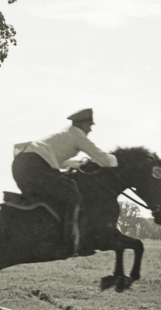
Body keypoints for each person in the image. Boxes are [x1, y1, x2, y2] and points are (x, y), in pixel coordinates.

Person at [12, 108, 118, 254]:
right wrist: (119, 160)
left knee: (52, 195)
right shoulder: (78, 135)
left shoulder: (65, 133)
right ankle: (70, 241)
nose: (91, 130)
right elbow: (104, 160)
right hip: (36, 164)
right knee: (72, 191)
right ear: (83, 125)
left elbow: (57, 159)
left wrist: (75, 164)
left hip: (21, 164)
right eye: (90, 125)